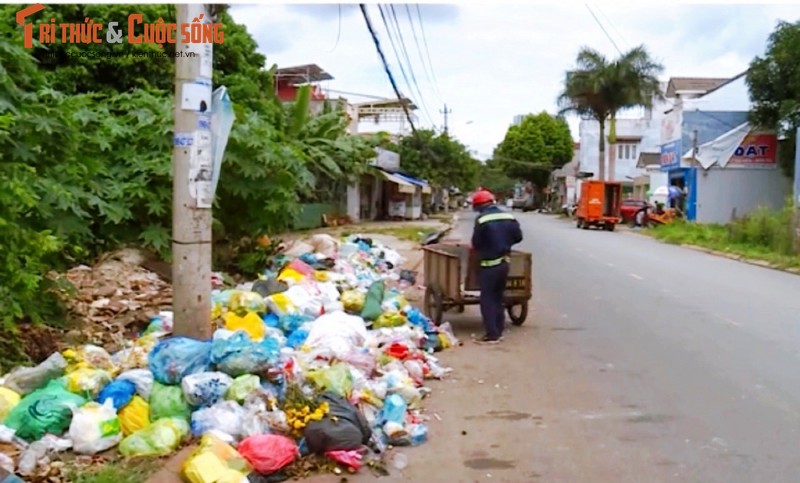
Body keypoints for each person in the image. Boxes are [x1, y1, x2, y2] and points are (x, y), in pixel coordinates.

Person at [470, 189, 523, 344]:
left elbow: (476, 244)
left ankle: (492, 335)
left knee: (487, 299)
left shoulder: (481, 219)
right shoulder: (509, 216)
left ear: (479, 205)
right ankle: (499, 331)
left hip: (489, 265)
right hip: (504, 263)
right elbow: (518, 237)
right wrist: (504, 243)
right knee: (499, 298)